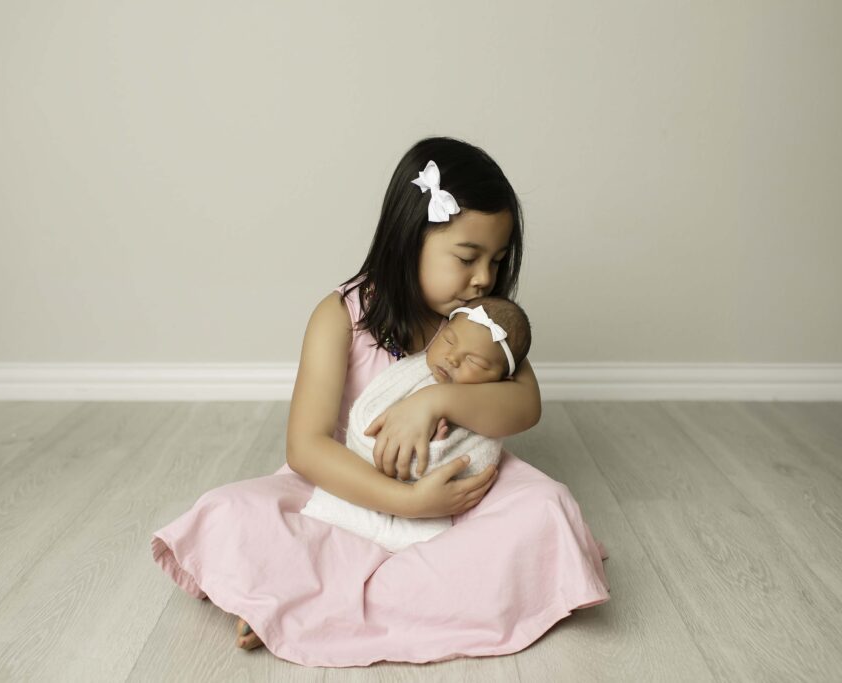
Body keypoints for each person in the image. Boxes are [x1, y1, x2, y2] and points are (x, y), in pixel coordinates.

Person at [151, 136, 610, 668]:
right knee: (230, 513)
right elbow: (306, 446)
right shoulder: (339, 316)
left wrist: (437, 401)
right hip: (351, 490)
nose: (485, 277)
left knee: (546, 508)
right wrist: (408, 504)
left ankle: (305, 601)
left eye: (497, 259)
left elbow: (525, 406)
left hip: (457, 496)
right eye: (467, 257)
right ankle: (317, 592)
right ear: (409, 239)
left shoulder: (478, 323)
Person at [299, 297, 533, 552]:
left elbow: (473, 453)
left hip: (443, 493)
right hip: (350, 471)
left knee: (543, 507)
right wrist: (409, 497)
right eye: (448, 340)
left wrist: (437, 443)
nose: (453, 358)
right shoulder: (342, 314)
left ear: (502, 378)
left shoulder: (493, 338)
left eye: (474, 362)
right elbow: (371, 412)